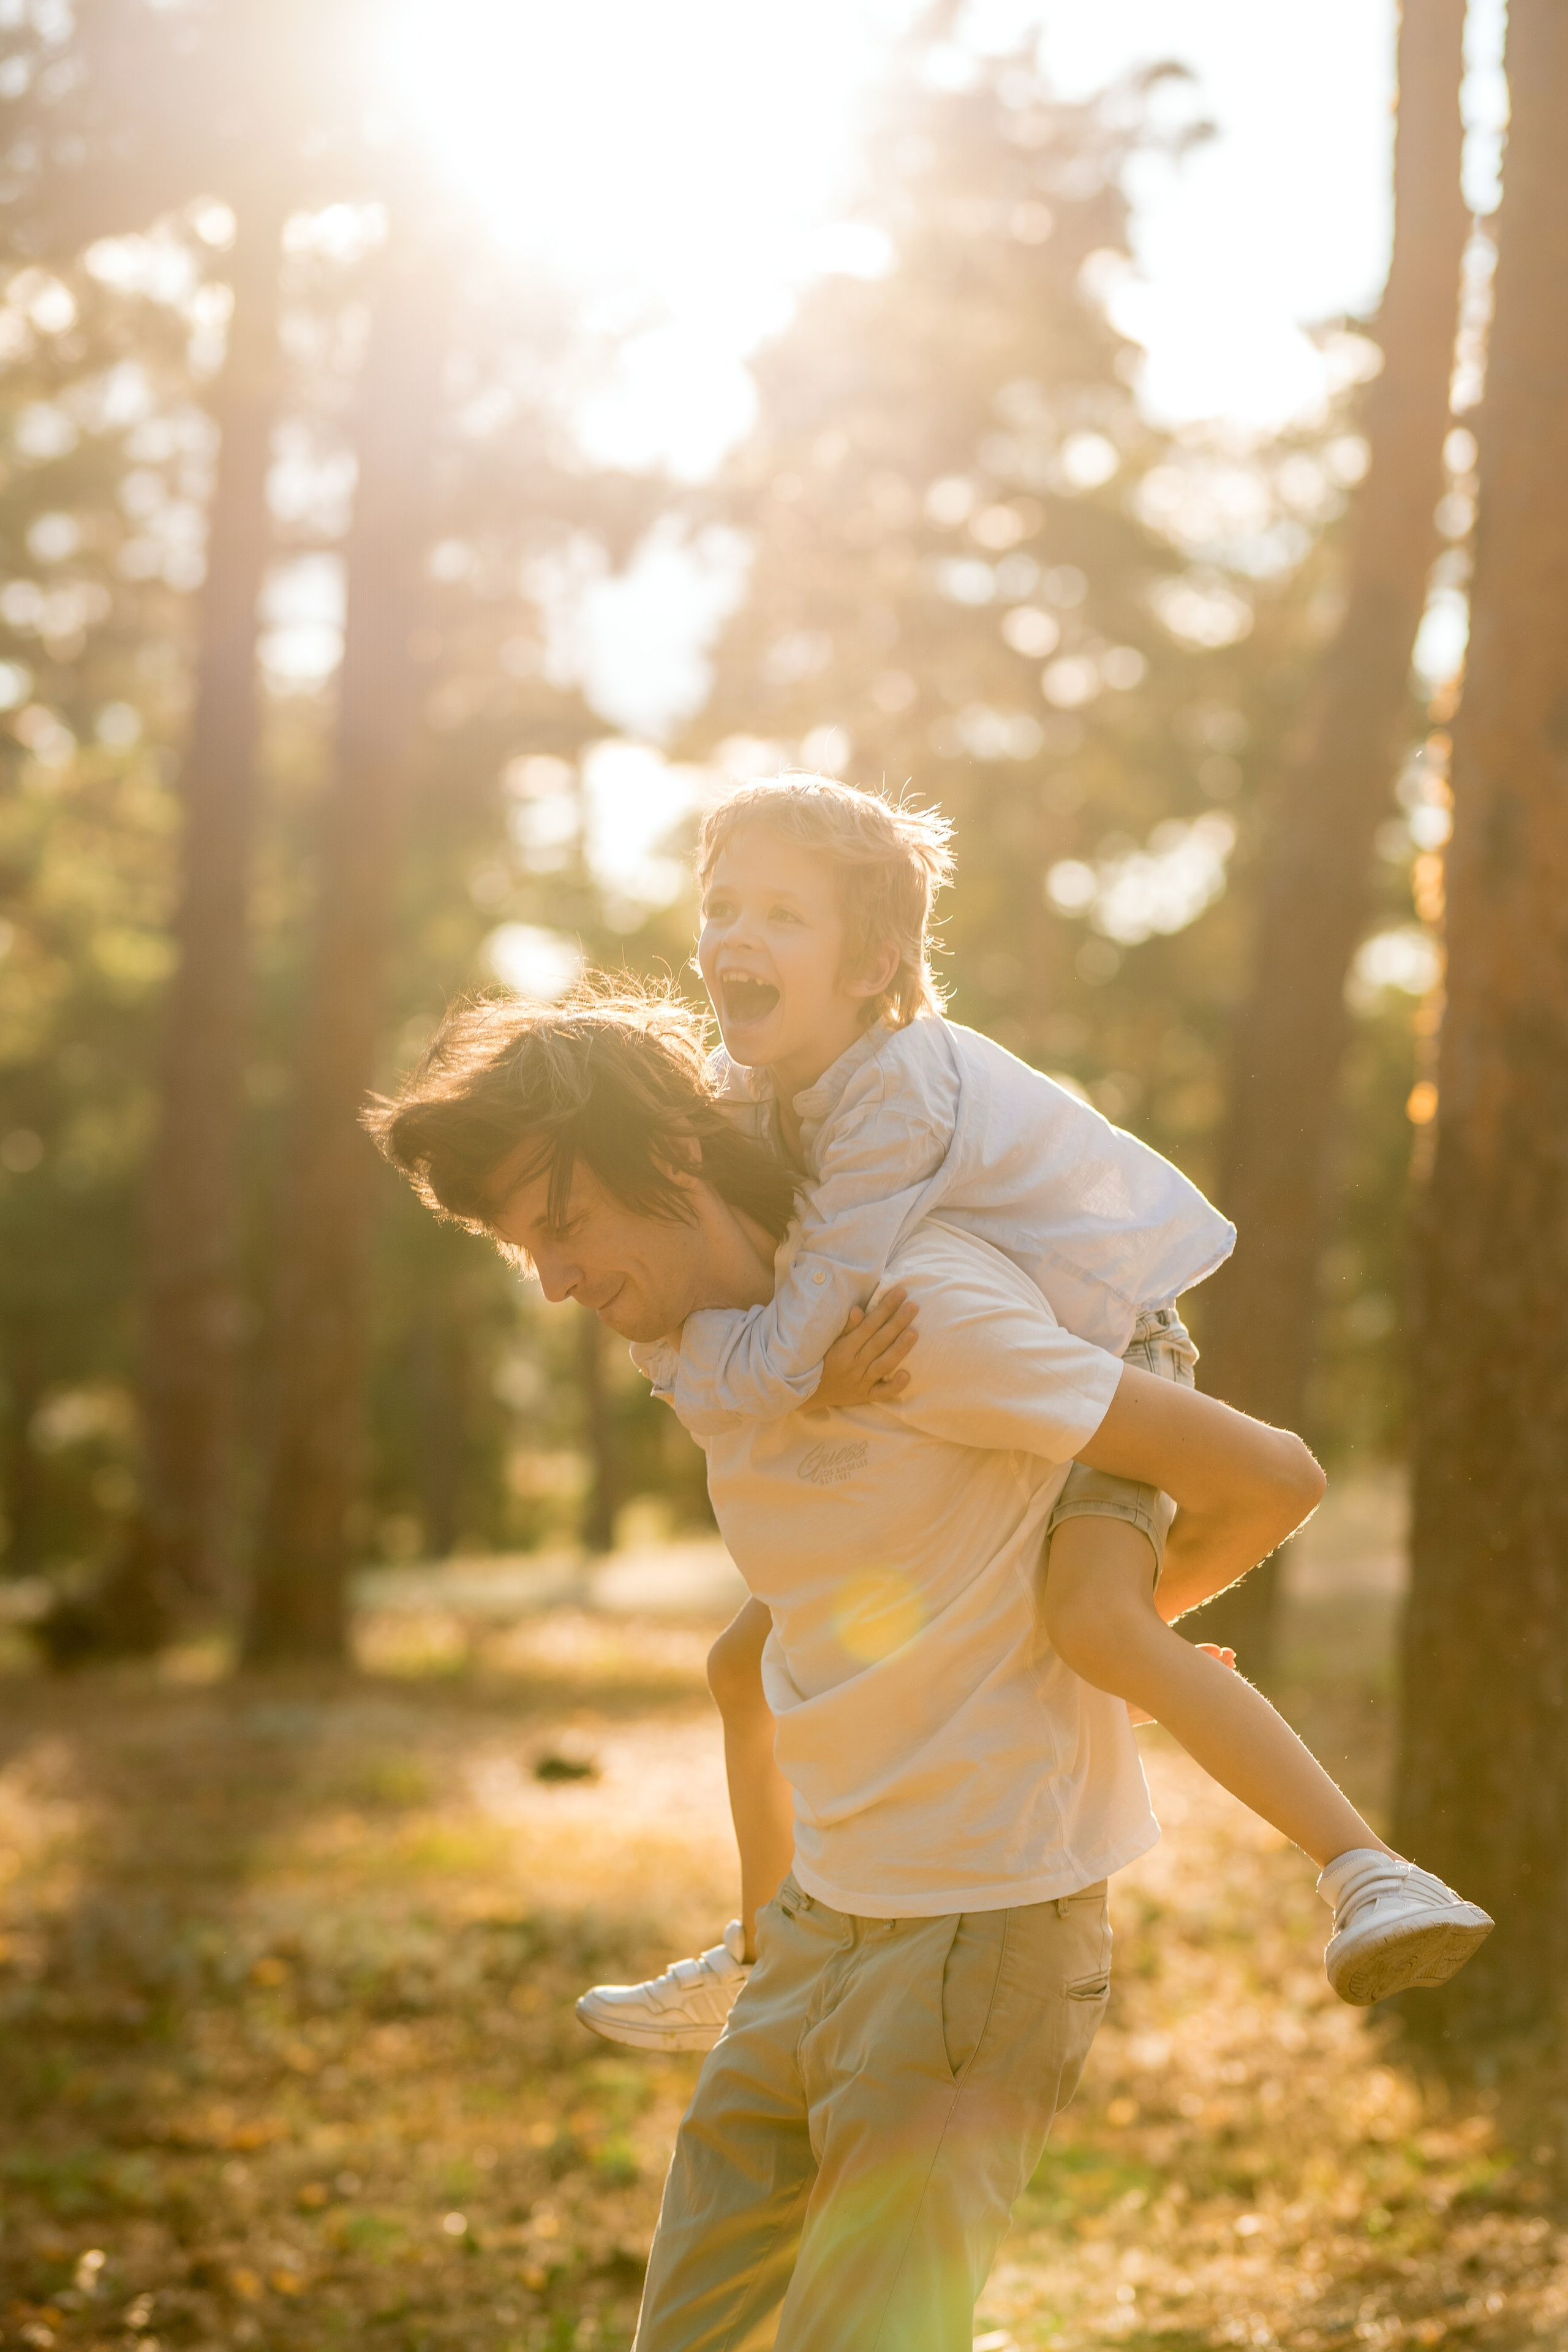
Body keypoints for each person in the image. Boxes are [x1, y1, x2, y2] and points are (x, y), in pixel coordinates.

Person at [369, 992, 1488, 2352]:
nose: (549, 1280)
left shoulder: (923, 1316)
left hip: (970, 1941)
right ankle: (736, 1949)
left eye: (560, 1228)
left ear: (659, 1157)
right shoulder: (705, 1352)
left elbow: (1272, 1479)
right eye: (517, 1251)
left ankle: (1362, 1869)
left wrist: (1109, 1638)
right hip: (812, 1933)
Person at [558, 776, 1490, 2047]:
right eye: (721, 906)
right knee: (743, 1668)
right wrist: (781, 1362)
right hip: (1001, 1380)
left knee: (1096, 1623)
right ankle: (762, 1950)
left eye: (783, 914)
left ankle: (1367, 1872)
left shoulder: (897, 1088)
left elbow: (809, 1318)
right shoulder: (745, 1086)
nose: (736, 939)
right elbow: (706, 1326)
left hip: (1115, 1343)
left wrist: (797, 1367)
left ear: (873, 958)